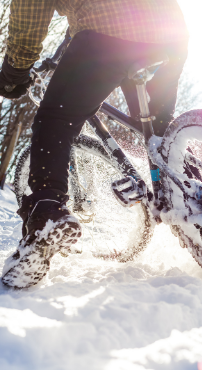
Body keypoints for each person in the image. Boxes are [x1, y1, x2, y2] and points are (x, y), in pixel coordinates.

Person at [0, 0, 188, 288]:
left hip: (108, 29)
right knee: (156, 130)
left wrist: (16, 69)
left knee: (56, 119)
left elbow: (31, 6)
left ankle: (46, 218)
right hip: (169, 31)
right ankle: (194, 200)